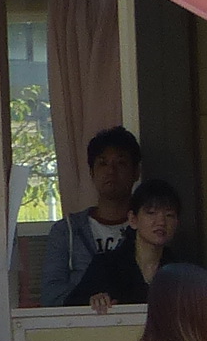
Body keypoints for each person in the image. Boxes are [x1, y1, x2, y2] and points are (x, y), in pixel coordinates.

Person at [37, 125, 141, 311]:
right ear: (92, 173)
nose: (111, 171)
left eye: (121, 163)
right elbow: (51, 296)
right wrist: (88, 300)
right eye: (102, 163)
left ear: (136, 172)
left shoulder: (147, 227)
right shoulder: (67, 231)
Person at [66, 178, 179, 312]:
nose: (161, 222)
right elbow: (70, 308)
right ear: (133, 219)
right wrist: (93, 300)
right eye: (151, 213)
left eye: (169, 215)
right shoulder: (106, 265)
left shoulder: (180, 270)